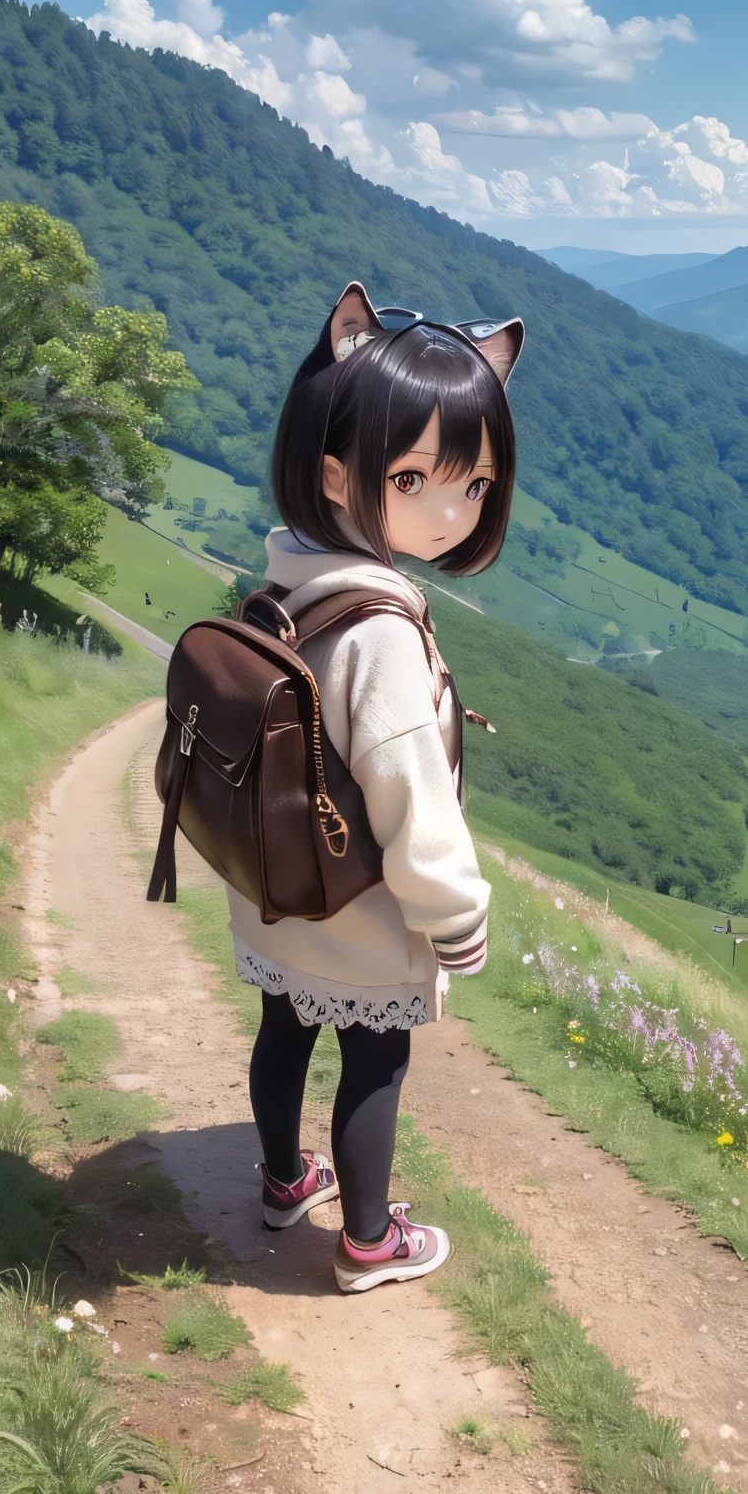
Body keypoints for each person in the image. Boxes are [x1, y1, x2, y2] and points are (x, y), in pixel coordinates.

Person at [232, 282, 522, 1294]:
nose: (451, 511)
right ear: (333, 471)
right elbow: (410, 801)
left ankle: (281, 1181)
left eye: (474, 486)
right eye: (415, 478)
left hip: (276, 886)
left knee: (284, 1030)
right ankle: (366, 1242)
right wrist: (457, 920)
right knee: (376, 1060)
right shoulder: (384, 635)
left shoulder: (284, 583)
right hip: (359, 907)